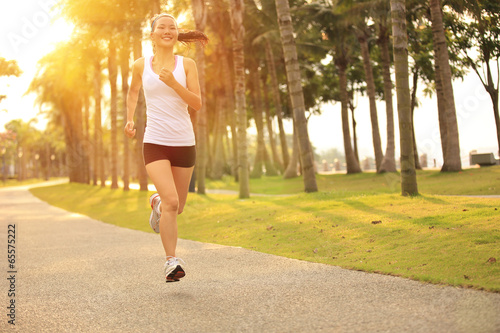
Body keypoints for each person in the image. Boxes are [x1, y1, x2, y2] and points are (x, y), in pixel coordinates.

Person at [124, 13, 208, 283]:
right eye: (162, 27)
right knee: (173, 202)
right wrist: (129, 119)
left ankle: (156, 202)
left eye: (172, 27)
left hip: (184, 143)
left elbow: (196, 103)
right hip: (155, 142)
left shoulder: (187, 65)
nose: (167, 30)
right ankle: (171, 262)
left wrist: (173, 83)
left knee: (176, 206)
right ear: (153, 34)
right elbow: (133, 92)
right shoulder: (140, 65)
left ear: (176, 34)